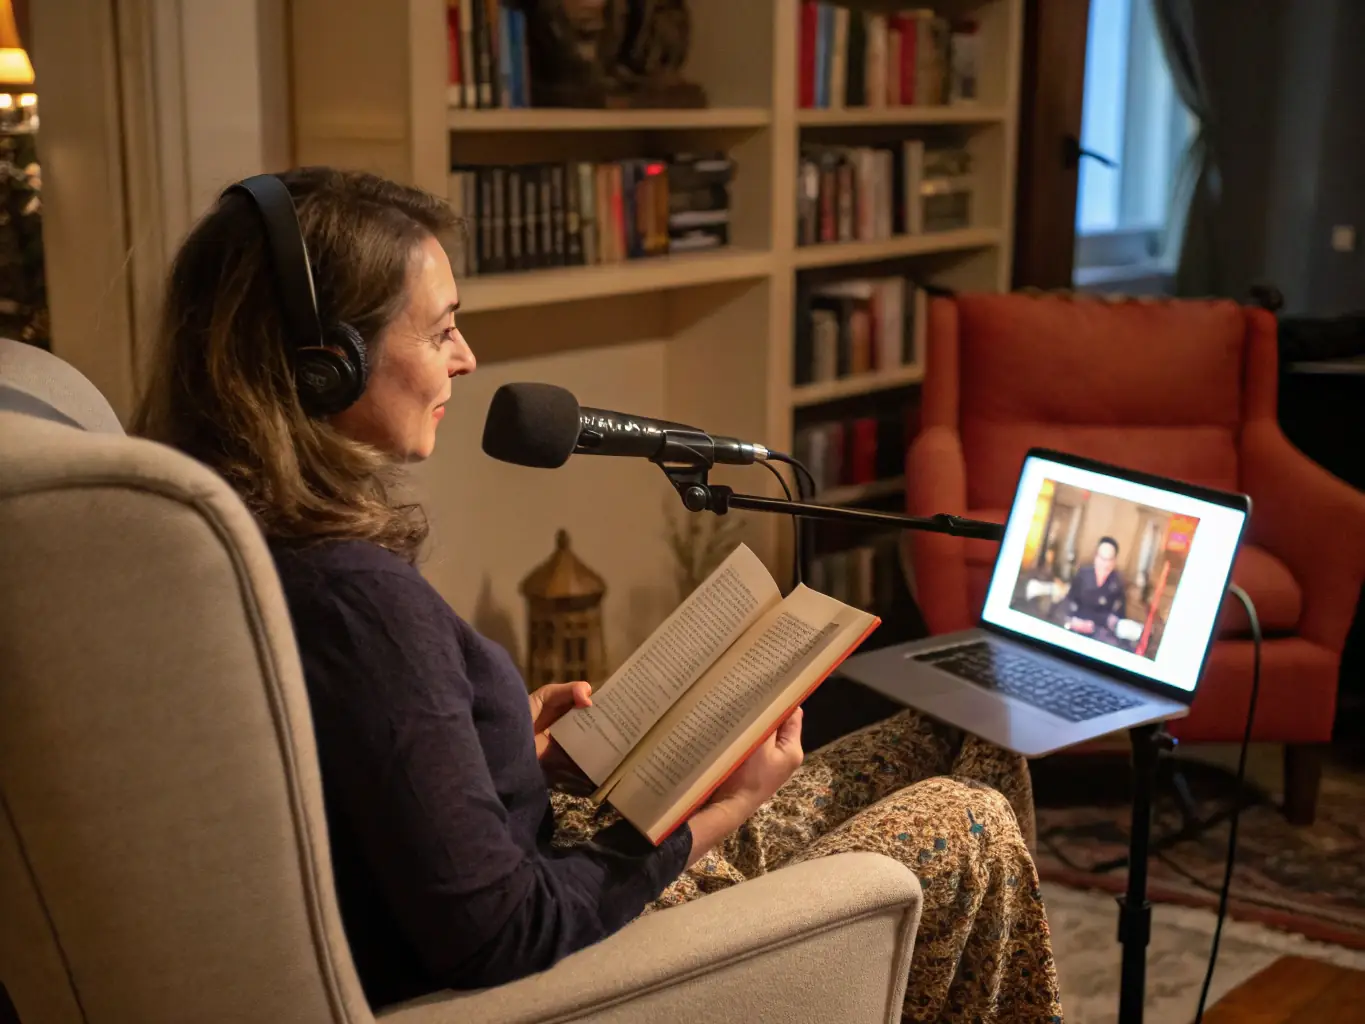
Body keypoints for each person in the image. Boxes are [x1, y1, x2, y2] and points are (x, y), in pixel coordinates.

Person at [132, 167, 1063, 1022]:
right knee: (964, 823)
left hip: (552, 844)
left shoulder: (237, 533)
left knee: (959, 735)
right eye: (440, 327)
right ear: (322, 363)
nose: (465, 357)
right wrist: (714, 820)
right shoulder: (353, 598)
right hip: (581, 939)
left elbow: (365, 783)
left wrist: (503, 749)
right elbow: (502, 932)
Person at [1062, 536, 1127, 645]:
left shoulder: (1117, 584)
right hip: (1075, 627)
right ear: (1096, 557)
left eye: (1109, 560)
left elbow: (1118, 618)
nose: (1104, 564)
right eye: (1101, 558)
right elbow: (1068, 601)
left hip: (1099, 636)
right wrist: (1073, 622)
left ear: (1114, 561)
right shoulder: (1083, 574)